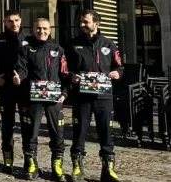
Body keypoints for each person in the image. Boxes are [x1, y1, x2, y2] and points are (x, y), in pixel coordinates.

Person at [66, 9, 123, 182]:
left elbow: (119, 67)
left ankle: (108, 169)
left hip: (104, 97)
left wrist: (117, 73)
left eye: (86, 22)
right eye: (81, 22)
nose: (82, 25)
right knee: (79, 131)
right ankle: (77, 168)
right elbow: (64, 68)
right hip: (82, 97)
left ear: (96, 23)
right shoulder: (74, 44)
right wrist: (71, 76)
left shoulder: (109, 44)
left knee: (106, 132)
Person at [14, 18, 69, 181]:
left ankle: (57, 166)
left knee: (57, 133)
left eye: (45, 28)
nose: (41, 31)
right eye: (38, 28)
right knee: (30, 133)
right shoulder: (25, 49)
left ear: (50, 30)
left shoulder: (58, 50)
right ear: (33, 29)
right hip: (32, 98)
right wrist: (18, 79)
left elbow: (64, 74)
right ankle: (32, 165)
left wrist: (64, 93)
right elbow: (21, 69)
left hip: (54, 98)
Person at [0, 9, 28, 173]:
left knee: (28, 127)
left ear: (20, 20)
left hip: (25, 90)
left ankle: (29, 161)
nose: (14, 24)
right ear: (4, 22)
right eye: (10, 21)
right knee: (7, 126)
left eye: (16, 20)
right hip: (6, 89)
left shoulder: (29, 39)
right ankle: (8, 161)